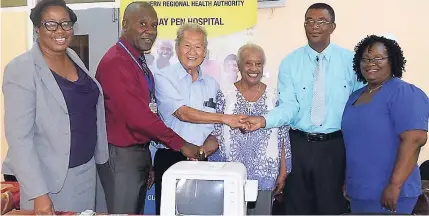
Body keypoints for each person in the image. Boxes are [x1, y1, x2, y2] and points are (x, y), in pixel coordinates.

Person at [243, 3, 364, 214]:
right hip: (298, 145)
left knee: (331, 207)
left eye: (321, 21)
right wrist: (264, 120)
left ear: (332, 27)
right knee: (297, 208)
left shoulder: (351, 62)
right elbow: (290, 106)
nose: (314, 26)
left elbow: (360, 107)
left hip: (334, 147)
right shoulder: (290, 62)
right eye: (309, 21)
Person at [1, 0, 109, 214]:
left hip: (86, 170)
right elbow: (19, 139)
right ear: (37, 29)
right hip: (50, 179)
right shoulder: (20, 70)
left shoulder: (72, 56)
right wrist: (39, 194)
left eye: (65, 23)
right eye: (50, 24)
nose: (59, 30)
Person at [95, 2, 201, 214]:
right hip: (122, 156)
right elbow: (139, 118)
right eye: (143, 24)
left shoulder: (136, 59)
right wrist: (181, 144)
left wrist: (147, 159)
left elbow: (147, 112)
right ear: (125, 24)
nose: (150, 31)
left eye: (154, 25)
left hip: (138, 153)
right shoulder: (116, 62)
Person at [153, 23, 246, 215]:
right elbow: (182, 113)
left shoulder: (212, 84)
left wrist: (206, 148)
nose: (192, 52)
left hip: (203, 160)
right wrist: (225, 118)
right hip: (172, 156)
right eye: (187, 45)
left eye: (198, 46)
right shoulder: (163, 77)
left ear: (205, 51)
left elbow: (214, 130)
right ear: (177, 47)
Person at [341, 35, 429, 214]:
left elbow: (414, 140)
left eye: (378, 58)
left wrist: (395, 186)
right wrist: (348, 181)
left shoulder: (404, 93)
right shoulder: (355, 96)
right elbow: (354, 143)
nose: (370, 63)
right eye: (365, 59)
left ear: (392, 61)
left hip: (391, 193)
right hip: (360, 191)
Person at [209, 43, 291, 215]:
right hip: (231, 175)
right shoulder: (225, 94)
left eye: (258, 63)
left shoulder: (275, 97)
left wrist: (283, 172)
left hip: (265, 176)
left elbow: (283, 137)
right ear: (239, 66)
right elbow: (216, 132)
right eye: (248, 63)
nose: (254, 68)